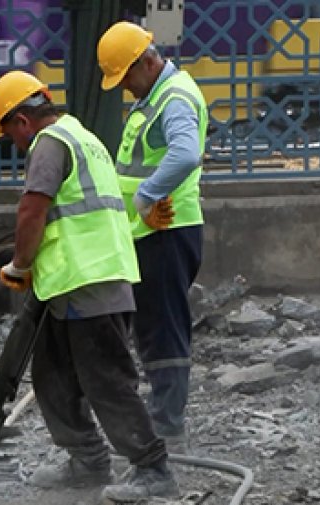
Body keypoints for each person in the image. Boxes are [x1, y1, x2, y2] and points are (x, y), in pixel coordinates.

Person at [0, 70, 178, 502]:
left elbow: (32, 211)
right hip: (77, 280)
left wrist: (19, 266)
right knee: (52, 375)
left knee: (105, 379)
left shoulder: (48, 144)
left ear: (22, 121)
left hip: (89, 279)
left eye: (10, 134)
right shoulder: (83, 136)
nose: (14, 145)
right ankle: (88, 460)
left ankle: (153, 468)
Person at [98, 22, 208, 452]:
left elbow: (185, 153)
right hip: (152, 229)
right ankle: (163, 415)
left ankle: (167, 424)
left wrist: (146, 196)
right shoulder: (156, 97)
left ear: (146, 62)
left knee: (164, 329)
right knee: (153, 326)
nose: (124, 87)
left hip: (167, 228)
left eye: (126, 77)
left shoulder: (173, 97)